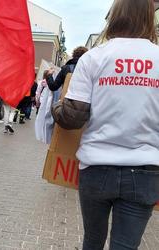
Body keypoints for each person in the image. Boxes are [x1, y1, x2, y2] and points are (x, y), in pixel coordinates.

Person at [52, 0, 159, 249]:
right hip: (145, 171)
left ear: (115, 16)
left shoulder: (94, 58)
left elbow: (72, 117)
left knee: (93, 240)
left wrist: (55, 107)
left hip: (96, 169)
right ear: (148, 16)